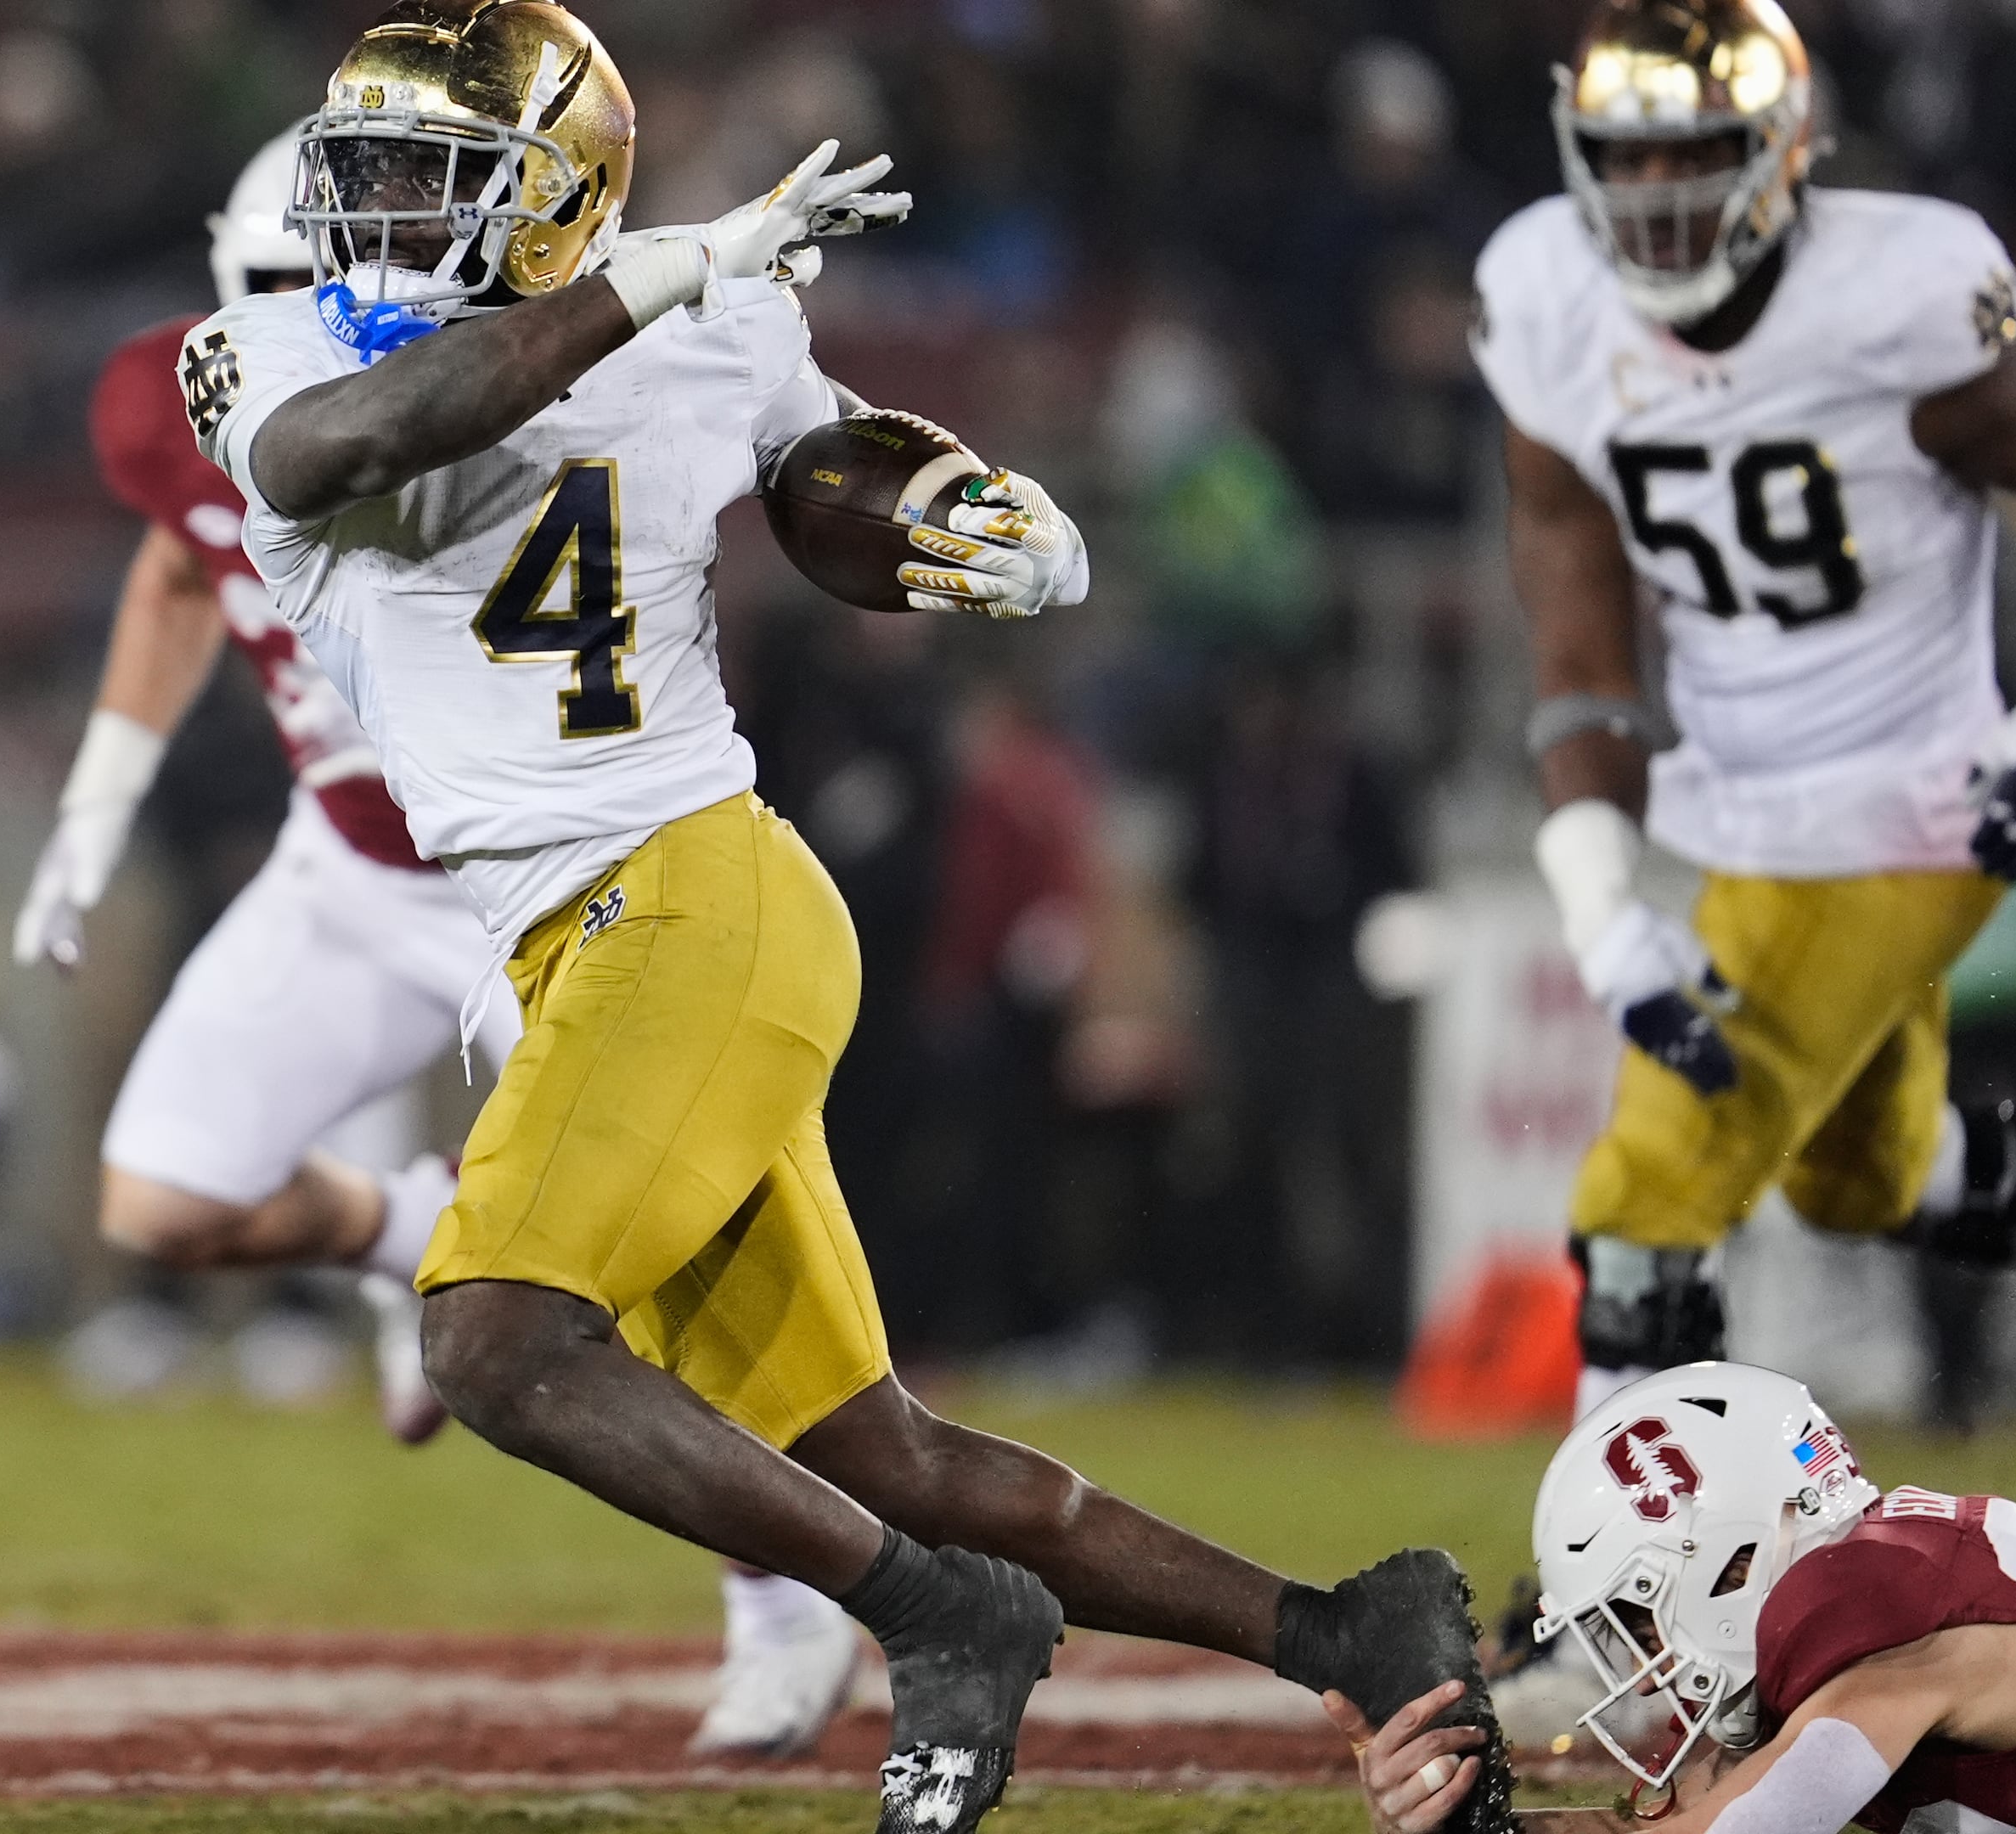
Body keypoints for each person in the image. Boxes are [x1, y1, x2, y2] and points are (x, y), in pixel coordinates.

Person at [186, 7, 1508, 1831]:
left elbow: (824, 477)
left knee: (495, 1339)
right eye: (373, 181)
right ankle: (1354, 1631)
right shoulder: (266, 349)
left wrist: (963, 510)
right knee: (874, 1453)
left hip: (685, 888)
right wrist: (649, 281)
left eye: (435, 183)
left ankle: (938, 1621)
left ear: (551, 198)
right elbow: (377, 434)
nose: (385, 222)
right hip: (571, 942)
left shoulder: (711, 318)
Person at [20, 129, 863, 1760]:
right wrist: (96, 797)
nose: (330, 309)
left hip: (545, 885)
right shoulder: (203, 394)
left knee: (646, 1311)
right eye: (280, 288)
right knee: (163, 1196)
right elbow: (179, 566)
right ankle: (418, 1227)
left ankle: (783, 1594)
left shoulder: (523, 379)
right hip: (344, 870)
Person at [1472, 0, 2016, 1417]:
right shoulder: (1545, 300)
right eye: (1623, 159)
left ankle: (1609, 1606)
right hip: (1743, 804)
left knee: (1652, 1181)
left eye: (1690, 152)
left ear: (1780, 149)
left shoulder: (1900, 293)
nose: (1653, 197)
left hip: (1912, 800)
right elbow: (1579, 631)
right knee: (1860, 1177)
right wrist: (1597, 907)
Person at [1341, 1360, 2016, 1834]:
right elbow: (1662, 1828)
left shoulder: (1902, 1654)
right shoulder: (1862, 1607)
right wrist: (1466, 1823)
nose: (1648, 1672)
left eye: (1641, 1617)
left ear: (1733, 1563)